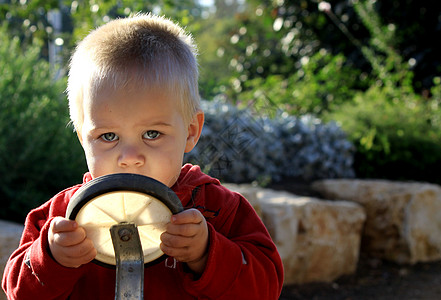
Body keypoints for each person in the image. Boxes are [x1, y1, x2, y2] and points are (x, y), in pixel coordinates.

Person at [2, 13, 283, 299]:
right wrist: (50, 258)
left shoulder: (218, 210)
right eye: (108, 136)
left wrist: (207, 253)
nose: (130, 157)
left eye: (152, 134)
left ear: (190, 131)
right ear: (82, 139)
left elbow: (267, 287)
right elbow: (17, 291)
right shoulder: (62, 217)